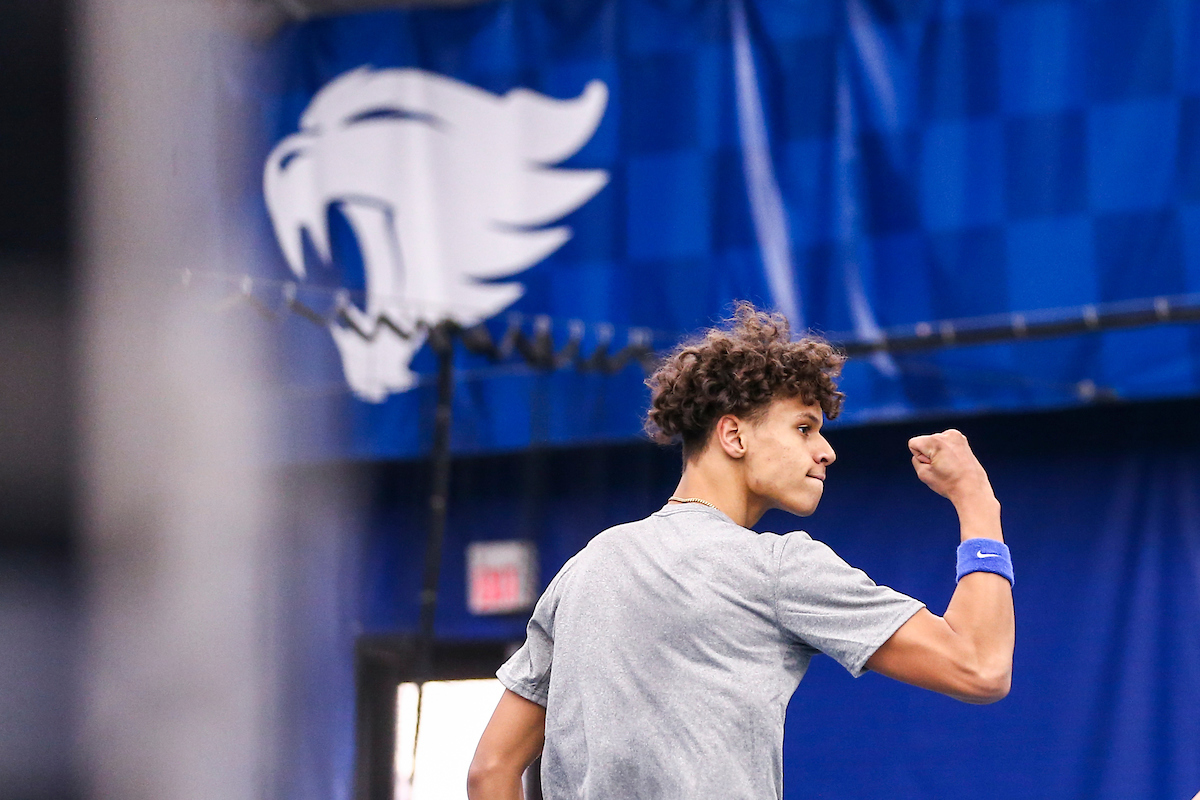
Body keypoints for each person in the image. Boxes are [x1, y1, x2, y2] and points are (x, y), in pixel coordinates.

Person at [467, 303, 1015, 800]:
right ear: (733, 436)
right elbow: (981, 667)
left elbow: (490, 770)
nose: (825, 451)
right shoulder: (777, 567)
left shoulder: (583, 569)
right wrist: (976, 499)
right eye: (804, 428)